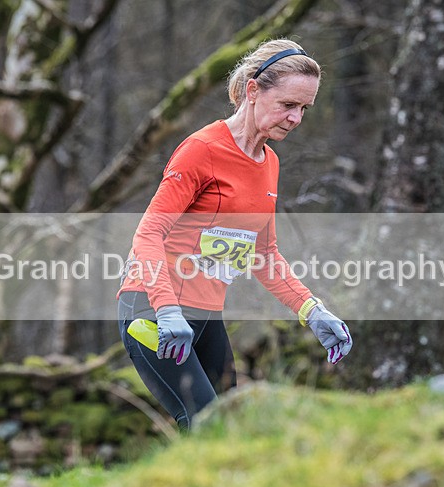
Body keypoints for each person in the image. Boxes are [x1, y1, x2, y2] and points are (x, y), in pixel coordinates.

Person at [117, 39, 352, 430]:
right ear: (253, 91)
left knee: (231, 427)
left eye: (304, 109)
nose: (296, 118)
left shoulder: (269, 163)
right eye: (288, 105)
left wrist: (312, 310)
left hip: (206, 312)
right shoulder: (201, 150)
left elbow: (265, 253)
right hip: (154, 310)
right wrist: (167, 308)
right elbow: (148, 233)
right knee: (207, 423)